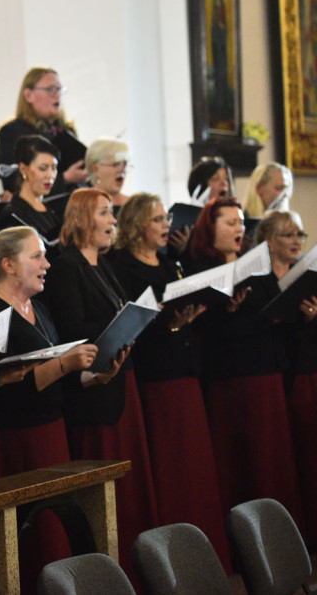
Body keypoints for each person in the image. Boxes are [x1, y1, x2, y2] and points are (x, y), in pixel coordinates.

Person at [0, 226, 100, 592]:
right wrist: (63, 365)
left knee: (55, 531)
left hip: (50, 430)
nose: (46, 264)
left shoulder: (38, 307)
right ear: (8, 264)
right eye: (37, 256)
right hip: (13, 441)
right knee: (29, 537)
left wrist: (93, 376)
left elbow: (52, 374)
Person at [107, 193, 231, 570]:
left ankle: (207, 557)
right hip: (154, 376)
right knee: (173, 467)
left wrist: (187, 317)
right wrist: (172, 323)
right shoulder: (122, 265)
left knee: (196, 466)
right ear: (136, 225)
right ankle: (177, 562)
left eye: (166, 219)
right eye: (158, 219)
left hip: (185, 367)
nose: (167, 226)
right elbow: (133, 325)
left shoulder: (169, 261)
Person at [39, 188, 152, 582]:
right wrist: (116, 328)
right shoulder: (68, 265)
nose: (112, 222)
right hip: (93, 392)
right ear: (84, 218)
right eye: (105, 213)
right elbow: (70, 330)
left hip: (119, 383)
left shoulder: (101, 264)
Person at [183, 198, 306, 533]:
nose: (239, 229)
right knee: (240, 461)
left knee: (272, 460)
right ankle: (246, 539)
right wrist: (228, 312)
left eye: (240, 223)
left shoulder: (255, 265)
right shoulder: (201, 268)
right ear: (211, 228)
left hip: (267, 371)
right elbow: (203, 327)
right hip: (230, 378)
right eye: (230, 223)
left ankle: (281, 537)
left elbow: (275, 313)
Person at [254, 210, 317, 546]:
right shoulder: (258, 279)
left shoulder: (306, 276)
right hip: (273, 374)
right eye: (288, 235)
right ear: (268, 240)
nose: (296, 241)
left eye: (299, 235)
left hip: (307, 370)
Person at [0, 67, 87, 194]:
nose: (58, 94)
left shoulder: (64, 131)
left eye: (59, 89)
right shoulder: (12, 131)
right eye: (50, 89)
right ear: (28, 95)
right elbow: (12, 181)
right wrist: (64, 178)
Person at [0, 135, 62, 242]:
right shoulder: (12, 214)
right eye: (43, 168)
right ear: (23, 169)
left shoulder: (53, 209)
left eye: (54, 168)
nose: (51, 175)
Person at [85, 138, 130, 209]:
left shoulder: (134, 206)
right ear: (95, 169)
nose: (122, 169)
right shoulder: (83, 205)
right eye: (115, 164)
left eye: (124, 164)